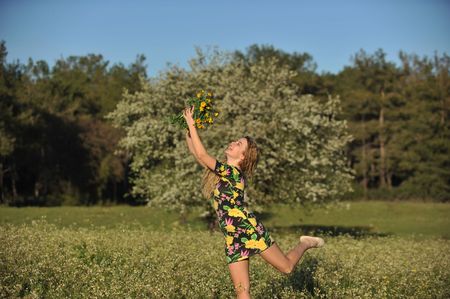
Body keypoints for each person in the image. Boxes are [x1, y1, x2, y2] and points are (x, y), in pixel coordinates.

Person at [183, 106, 324, 299]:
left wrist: (193, 124)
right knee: (241, 290)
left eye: (239, 143)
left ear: (242, 157)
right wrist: (188, 130)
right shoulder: (221, 173)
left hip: (247, 229)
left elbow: (202, 155)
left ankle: (305, 244)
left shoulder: (233, 174)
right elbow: (196, 153)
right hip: (232, 236)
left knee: (287, 268)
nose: (233, 142)